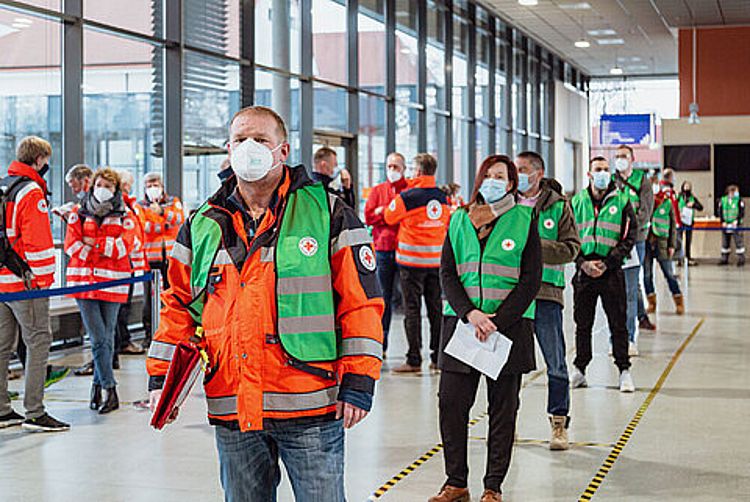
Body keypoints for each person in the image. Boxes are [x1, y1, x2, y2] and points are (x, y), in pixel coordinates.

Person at [147, 106, 384, 502]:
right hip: (233, 404)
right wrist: (162, 380)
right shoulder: (203, 223)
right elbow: (178, 307)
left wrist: (359, 380)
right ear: (227, 149)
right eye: (240, 140)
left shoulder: (329, 213)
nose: (249, 148)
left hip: (311, 402)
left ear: (283, 150)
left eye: (260, 140)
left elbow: (361, 304)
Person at [431, 154, 541, 502]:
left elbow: (530, 279)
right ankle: (456, 483)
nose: (493, 181)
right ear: (479, 181)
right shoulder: (459, 218)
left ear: (511, 184)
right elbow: (447, 273)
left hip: (506, 331)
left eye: (501, 176)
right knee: (450, 405)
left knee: (502, 411)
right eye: (488, 175)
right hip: (463, 328)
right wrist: (471, 314)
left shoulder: (524, 218)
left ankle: (492, 487)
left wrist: (496, 320)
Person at [0, 136, 70, 432]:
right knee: (38, 342)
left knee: (2, 347)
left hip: (2, 282)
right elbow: (38, 242)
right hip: (24, 284)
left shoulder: (4, 185)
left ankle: (3, 410)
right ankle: (35, 411)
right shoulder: (30, 191)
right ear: (40, 159)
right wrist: (43, 281)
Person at [516, 151, 580, 451]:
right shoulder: (506, 204)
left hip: (546, 295)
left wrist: (533, 247)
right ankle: (507, 422)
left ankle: (558, 423)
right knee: (508, 365)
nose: (519, 174)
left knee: (555, 363)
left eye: (523, 169)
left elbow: (571, 248)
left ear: (538, 173)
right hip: (510, 297)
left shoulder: (558, 206)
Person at [65, 168, 135, 414]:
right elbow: (70, 245)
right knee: (98, 338)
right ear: (92, 185)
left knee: (106, 337)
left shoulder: (125, 214)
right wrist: (103, 249)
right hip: (84, 284)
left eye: (108, 185)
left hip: (113, 284)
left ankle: (96, 387)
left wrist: (95, 245)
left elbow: (126, 246)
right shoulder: (78, 212)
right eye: (99, 184)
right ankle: (109, 388)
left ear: (116, 190)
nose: (103, 188)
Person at [570, 157, 636, 393]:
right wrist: (582, 263)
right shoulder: (576, 202)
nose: (603, 173)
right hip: (584, 272)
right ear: (589, 174)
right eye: (598, 170)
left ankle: (624, 370)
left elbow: (630, 237)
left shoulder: (622, 201)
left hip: (611, 271)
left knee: (618, 323)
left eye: (606, 170)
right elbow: (568, 237)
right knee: (583, 323)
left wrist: (609, 263)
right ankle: (580, 368)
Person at [384, 153, 450, 373]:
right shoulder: (443, 197)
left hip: (411, 264)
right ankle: (437, 358)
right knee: (435, 310)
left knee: (412, 311)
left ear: (419, 172)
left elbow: (388, 217)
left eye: (413, 169)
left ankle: (413, 360)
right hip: (436, 263)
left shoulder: (408, 197)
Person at [364, 152, 408, 357]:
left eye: (396, 167)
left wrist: (385, 214)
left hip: (406, 250)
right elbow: (369, 217)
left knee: (410, 301)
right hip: (382, 249)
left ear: (404, 169)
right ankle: (381, 344)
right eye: (390, 166)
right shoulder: (377, 190)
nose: (393, 170)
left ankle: (413, 350)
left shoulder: (409, 190)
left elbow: (407, 218)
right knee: (383, 297)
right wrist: (385, 215)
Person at [613, 145, 655, 335]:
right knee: (621, 286)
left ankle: (628, 336)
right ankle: (641, 316)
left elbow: (646, 210)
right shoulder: (611, 180)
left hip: (635, 240)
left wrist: (629, 232)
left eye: (624, 156)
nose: (620, 159)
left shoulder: (642, 180)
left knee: (630, 285)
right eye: (617, 156)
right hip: (613, 240)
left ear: (632, 158)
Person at [139, 172, 184, 347]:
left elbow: (180, 219)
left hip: (171, 258)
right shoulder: (140, 205)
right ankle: (149, 333)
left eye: (155, 184)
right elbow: (145, 226)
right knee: (149, 299)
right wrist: (165, 223)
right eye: (149, 185)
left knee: (172, 296)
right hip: (151, 258)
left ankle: (171, 332)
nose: (152, 188)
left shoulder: (173, 202)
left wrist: (162, 213)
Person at [114, 169, 146, 356]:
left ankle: (123, 341)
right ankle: (120, 343)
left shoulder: (131, 205)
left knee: (124, 307)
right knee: (119, 308)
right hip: (121, 265)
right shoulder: (119, 206)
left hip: (131, 263)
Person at [644, 179, 684, 315]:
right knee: (646, 275)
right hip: (646, 243)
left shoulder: (667, 203)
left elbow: (673, 227)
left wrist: (672, 245)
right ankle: (651, 303)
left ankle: (678, 301)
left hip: (663, 244)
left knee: (669, 274)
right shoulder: (644, 201)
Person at [717, 184, 745, 267]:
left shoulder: (739, 200)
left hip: (735, 224)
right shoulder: (723, 200)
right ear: (729, 192)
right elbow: (720, 211)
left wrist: (737, 221)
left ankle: (741, 259)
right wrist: (722, 221)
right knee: (725, 242)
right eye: (734, 192)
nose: (735, 194)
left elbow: (741, 212)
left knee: (738, 242)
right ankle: (724, 259)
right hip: (726, 224)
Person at [677, 181, 703, 265]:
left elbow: (700, 207)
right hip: (680, 221)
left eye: (689, 186)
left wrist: (694, 204)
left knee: (688, 241)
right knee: (678, 240)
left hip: (689, 221)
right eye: (686, 186)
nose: (687, 187)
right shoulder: (679, 196)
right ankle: (679, 258)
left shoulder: (692, 197)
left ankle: (688, 257)